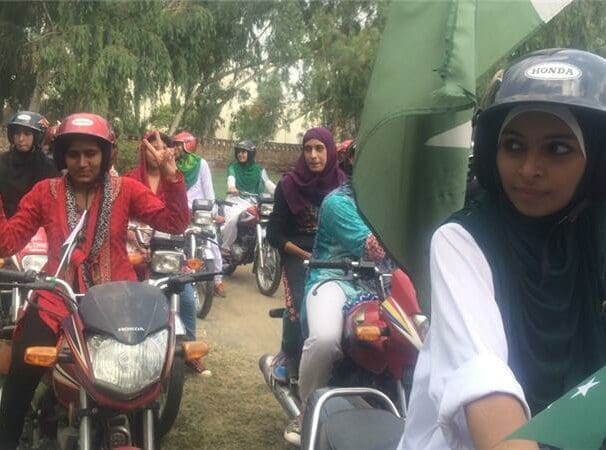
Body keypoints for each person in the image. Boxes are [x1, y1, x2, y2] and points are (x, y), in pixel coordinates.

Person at [400, 48, 606, 450]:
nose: (529, 169)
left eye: (557, 149)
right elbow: (484, 382)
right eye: (513, 146)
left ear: (596, 157)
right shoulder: (462, 240)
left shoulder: (595, 235)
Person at [0, 113, 190, 449]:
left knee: (142, 378)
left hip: (117, 301)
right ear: (62, 157)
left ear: (105, 155)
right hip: (56, 300)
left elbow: (174, 222)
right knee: (22, 372)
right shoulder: (46, 192)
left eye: (91, 153)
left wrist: (172, 176)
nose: (83, 162)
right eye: (74, 154)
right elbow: (8, 241)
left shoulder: (126, 189)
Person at [287, 180, 390, 446]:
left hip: (382, 284)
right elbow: (373, 249)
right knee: (325, 339)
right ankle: (307, 412)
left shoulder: (392, 198)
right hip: (333, 278)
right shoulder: (338, 202)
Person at [124, 131, 210, 375]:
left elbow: (180, 215)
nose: (157, 152)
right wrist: (133, 236)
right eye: (151, 147)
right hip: (135, 244)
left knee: (185, 295)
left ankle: (189, 349)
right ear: (144, 151)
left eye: (162, 147)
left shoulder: (174, 178)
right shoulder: (130, 179)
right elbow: (121, 215)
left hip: (167, 247)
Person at [267, 127, 346, 383]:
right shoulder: (288, 185)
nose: (313, 155)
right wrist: (302, 253)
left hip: (335, 254)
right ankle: (290, 354)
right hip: (297, 253)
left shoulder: (343, 184)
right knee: (303, 303)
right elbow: (274, 234)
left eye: (319, 148)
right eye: (308, 149)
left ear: (330, 151)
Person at [172, 130, 225, 297]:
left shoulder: (201, 164)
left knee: (213, 243)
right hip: (180, 212)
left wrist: (213, 212)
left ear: (187, 146)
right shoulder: (171, 164)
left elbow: (208, 191)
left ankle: (217, 280)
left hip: (200, 212)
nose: (175, 148)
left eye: (178, 145)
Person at [0, 111, 59, 218]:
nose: (21, 139)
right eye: (17, 134)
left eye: (27, 134)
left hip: (34, 225)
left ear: (37, 137)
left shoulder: (48, 167)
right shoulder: (3, 161)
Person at [221, 140, 276, 253]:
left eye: (244, 152)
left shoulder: (259, 170)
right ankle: (225, 247)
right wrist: (232, 187)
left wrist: (280, 191)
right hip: (236, 200)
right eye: (239, 152)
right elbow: (231, 179)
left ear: (250, 154)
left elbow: (268, 183)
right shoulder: (233, 167)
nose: (241, 154)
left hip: (255, 203)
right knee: (232, 220)